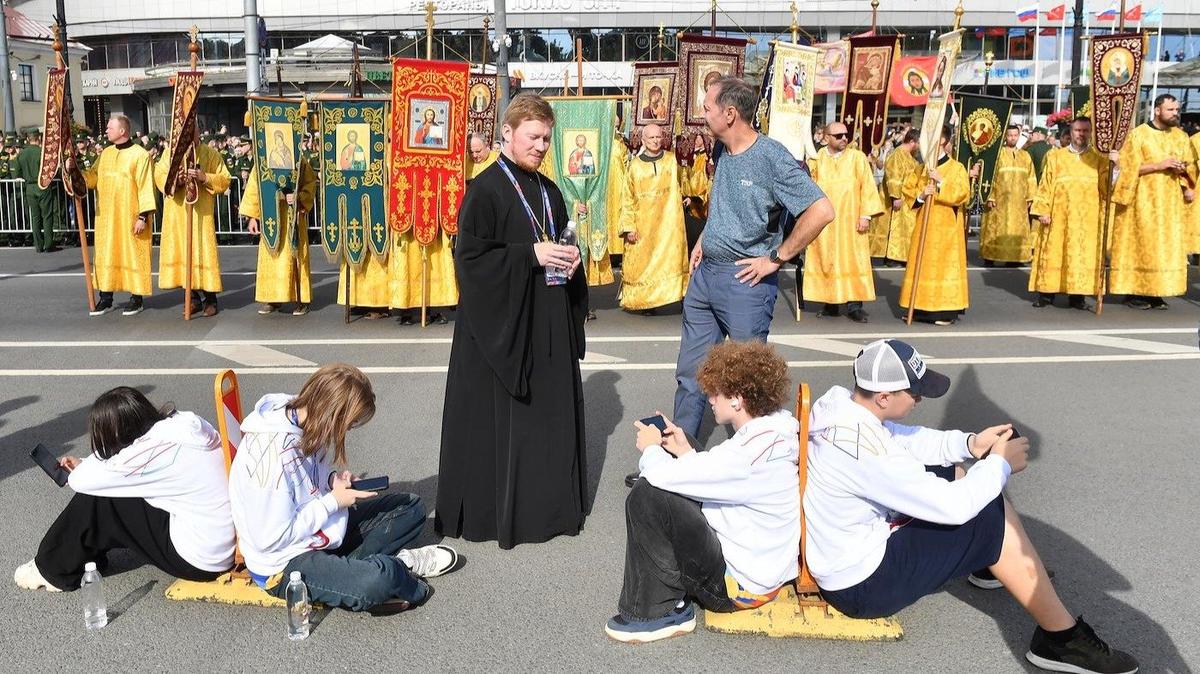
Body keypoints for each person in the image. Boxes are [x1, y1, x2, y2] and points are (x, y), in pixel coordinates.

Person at [805, 339, 1138, 674]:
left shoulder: (843, 406)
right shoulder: (864, 451)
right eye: (915, 392)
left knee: (952, 472)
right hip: (862, 587)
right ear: (884, 397)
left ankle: (994, 560)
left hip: (847, 554)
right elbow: (955, 506)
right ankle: (1061, 640)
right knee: (987, 513)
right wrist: (1000, 463)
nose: (920, 399)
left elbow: (902, 438)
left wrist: (971, 444)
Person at [435, 93, 588, 550]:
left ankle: (548, 509)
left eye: (546, 139)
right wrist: (530, 256)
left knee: (546, 423)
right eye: (533, 137)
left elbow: (558, 242)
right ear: (507, 132)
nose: (541, 146)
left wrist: (571, 260)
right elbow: (470, 261)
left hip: (547, 323)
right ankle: (499, 514)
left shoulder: (550, 191)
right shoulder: (484, 190)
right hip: (499, 328)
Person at [605, 341, 799, 643]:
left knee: (646, 494)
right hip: (764, 568)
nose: (709, 399)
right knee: (685, 450)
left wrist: (651, 448)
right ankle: (665, 595)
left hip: (737, 587)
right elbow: (718, 472)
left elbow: (660, 475)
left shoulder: (746, 457)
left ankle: (655, 613)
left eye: (715, 392)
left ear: (737, 399)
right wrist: (684, 450)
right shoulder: (774, 430)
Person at [672, 76, 832, 439]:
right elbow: (725, 203)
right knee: (691, 374)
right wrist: (705, 239)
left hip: (745, 282)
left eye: (707, 107)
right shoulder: (720, 150)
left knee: (744, 384)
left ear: (729, 114)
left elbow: (822, 210)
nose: (702, 114)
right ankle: (680, 454)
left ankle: (752, 456)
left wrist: (776, 258)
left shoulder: (771, 157)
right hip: (705, 277)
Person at [229, 363, 459, 612]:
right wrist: (333, 501)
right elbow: (269, 538)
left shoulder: (304, 417)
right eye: (350, 423)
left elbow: (307, 476)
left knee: (411, 508)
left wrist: (331, 481)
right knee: (380, 579)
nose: (349, 429)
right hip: (283, 563)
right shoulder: (271, 457)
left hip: (320, 532)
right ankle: (398, 567)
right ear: (334, 414)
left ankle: (351, 574)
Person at [14, 387, 234, 592]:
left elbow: (83, 482)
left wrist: (81, 468)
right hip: (226, 538)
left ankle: (52, 569)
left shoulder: (150, 453)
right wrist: (84, 463)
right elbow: (122, 465)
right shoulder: (183, 423)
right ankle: (83, 557)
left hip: (202, 559)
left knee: (101, 499)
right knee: (119, 488)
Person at [1110, 94, 1196, 310]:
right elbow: (1127, 168)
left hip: (1170, 204)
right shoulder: (1138, 135)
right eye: (1170, 110)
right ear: (1157, 110)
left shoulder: (1181, 137)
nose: (1175, 113)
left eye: (1176, 110)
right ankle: (1135, 292)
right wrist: (1159, 165)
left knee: (1163, 247)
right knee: (1143, 245)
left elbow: (1190, 167)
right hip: (1143, 202)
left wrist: (1183, 172)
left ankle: (1157, 291)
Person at [806, 122, 884, 323]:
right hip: (825, 223)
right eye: (838, 135)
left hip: (851, 221)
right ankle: (830, 303)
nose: (844, 139)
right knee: (826, 259)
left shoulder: (857, 157)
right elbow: (808, 186)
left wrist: (865, 215)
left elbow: (867, 186)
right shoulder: (816, 158)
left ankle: (854, 306)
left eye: (845, 135)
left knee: (853, 261)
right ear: (826, 138)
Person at [83, 114, 158, 317]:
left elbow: (146, 187)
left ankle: (136, 298)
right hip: (107, 219)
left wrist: (143, 217)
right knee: (106, 256)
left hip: (130, 217)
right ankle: (105, 298)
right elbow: (93, 178)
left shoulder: (139, 155)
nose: (106, 131)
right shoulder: (105, 154)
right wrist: (76, 173)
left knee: (133, 255)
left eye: (110, 128)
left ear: (122, 131)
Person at [899, 125, 974, 326]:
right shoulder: (921, 168)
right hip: (924, 224)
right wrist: (921, 195)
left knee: (943, 268)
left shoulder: (956, 168)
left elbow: (962, 194)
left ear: (942, 141)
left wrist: (941, 182)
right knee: (922, 265)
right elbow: (908, 190)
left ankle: (944, 312)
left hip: (946, 228)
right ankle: (919, 309)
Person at [1029, 117, 1106, 310]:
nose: (1082, 134)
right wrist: (1043, 210)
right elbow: (1045, 184)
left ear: (1091, 133)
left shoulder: (1098, 159)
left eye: (1086, 131)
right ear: (1070, 132)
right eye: (1078, 130)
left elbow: (1107, 188)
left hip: (1086, 220)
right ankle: (1046, 294)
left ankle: (1077, 296)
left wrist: (1116, 165)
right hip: (1059, 217)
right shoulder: (1056, 157)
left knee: (1081, 256)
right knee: (1053, 254)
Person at [154, 141, 231, 317]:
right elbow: (159, 175)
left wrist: (205, 177)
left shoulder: (210, 154)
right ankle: (193, 298)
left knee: (202, 253)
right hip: (177, 213)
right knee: (183, 253)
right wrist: (177, 179)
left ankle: (210, 299)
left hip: (201, 214)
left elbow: (225, 179)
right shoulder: (170, 153)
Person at [618, 123, 689, 314]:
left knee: (673, 260)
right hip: (644, 226)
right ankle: (647, 301)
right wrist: (629, 227)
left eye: (658, 137)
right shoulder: (634, 166)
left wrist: (688, 195)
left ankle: (680, 295)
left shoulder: (671, 160)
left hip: (670, 224)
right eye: (651, 138)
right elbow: (627, 198)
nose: (656, 141)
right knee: (646, 264)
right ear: (643, 140)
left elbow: (683, 182)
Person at [241, 156, 317, 316]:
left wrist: (299, 196)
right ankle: (273, 298)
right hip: (271, 215)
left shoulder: (299, 159)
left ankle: (301, 299)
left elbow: (310, 183)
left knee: (295, 256)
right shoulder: (262, 158)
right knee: (272, 256)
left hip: (292, 215)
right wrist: (253, 216)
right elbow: (254, 186)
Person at [980, 125, 1038, 266]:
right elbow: (990, 176)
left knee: (1016, 230)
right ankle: (991, 256)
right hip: (1000, 201)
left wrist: (1031, 197)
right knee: (995, 229)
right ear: (1005, 136)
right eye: (1010, 135)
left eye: (1015, 135)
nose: (1012, 138)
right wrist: (990, 196)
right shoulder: (997, 155)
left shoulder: (1025, 156)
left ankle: (1015, 258)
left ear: (1019, 136)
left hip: (1019, 202)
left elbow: (1031, 177)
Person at [873, 128, 921, 266]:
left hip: (907, 200)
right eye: (918, 144)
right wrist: (896, 196)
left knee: (902, 229)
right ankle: (890, 257)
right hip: (896, 199)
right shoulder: (897, 155)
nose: (919, 147)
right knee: (892, 228)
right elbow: (894, 177)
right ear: (912, 141)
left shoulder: (910, 157)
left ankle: (899, 255)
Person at [11, 130, 62, 253]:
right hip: (42, 185)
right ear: (38, 138)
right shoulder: (42, 152)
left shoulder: (22, 154)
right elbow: (50, 170)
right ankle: (48, 244)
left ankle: (38, 245)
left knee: (35, 217)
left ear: (28, 139)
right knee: (47, 216)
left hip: (29, 187)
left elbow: (17, 173)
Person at [680, 132, 713, 256]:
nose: (697, 141)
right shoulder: (693, 157)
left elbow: (704, 180)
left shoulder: (705, 158)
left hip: (701, 199)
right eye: (696, 139)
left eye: (700, 139)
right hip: (691, 198)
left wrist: (696, 198)